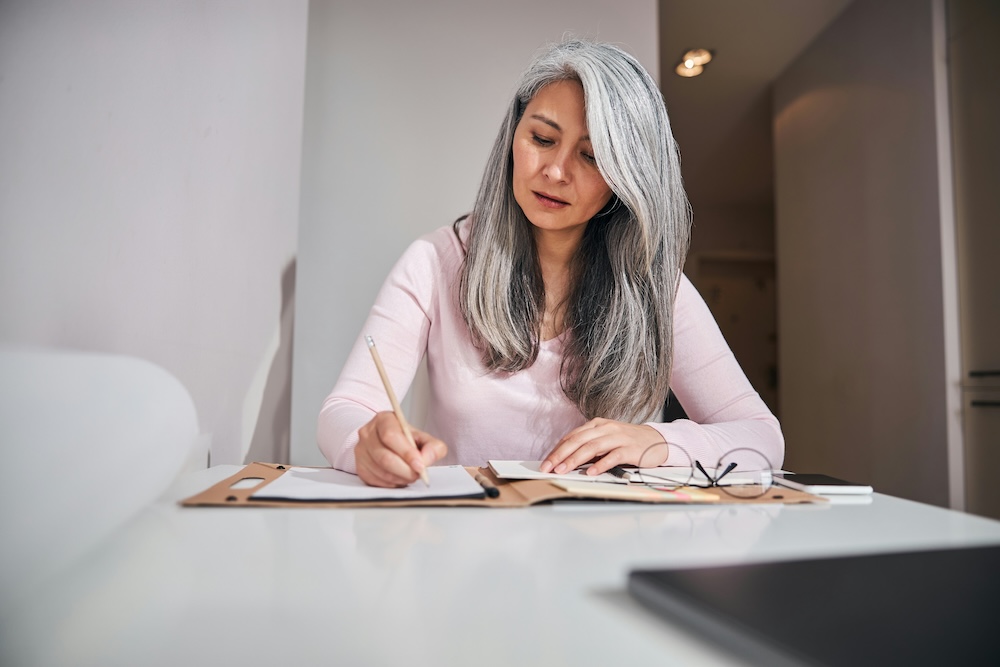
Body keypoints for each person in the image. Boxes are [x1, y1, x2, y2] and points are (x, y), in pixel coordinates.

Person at [318, 39, 783, 488]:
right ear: (514, 138)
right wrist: (366, 441)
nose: (556, 172)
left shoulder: (655, 286)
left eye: (591, 156)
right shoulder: (435, 262)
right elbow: (346, 407)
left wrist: (657, 441)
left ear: (625, 179)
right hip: (465, 544)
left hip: (599, 548)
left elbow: (762, 438)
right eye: (542, 138)